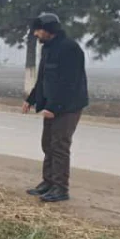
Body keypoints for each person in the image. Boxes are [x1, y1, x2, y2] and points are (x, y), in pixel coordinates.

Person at [24, 13, 89, 203]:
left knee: (59, 146)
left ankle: (60, 188)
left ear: (49, 30)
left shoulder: (70, 49)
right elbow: (43, 78)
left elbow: (70, 83)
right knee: (48, 144)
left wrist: (55, 107)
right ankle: (48, 182)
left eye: (38, 30)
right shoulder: (48, 48)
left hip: (67, 107)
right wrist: (31, 99)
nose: (36, 34)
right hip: (52, 106)